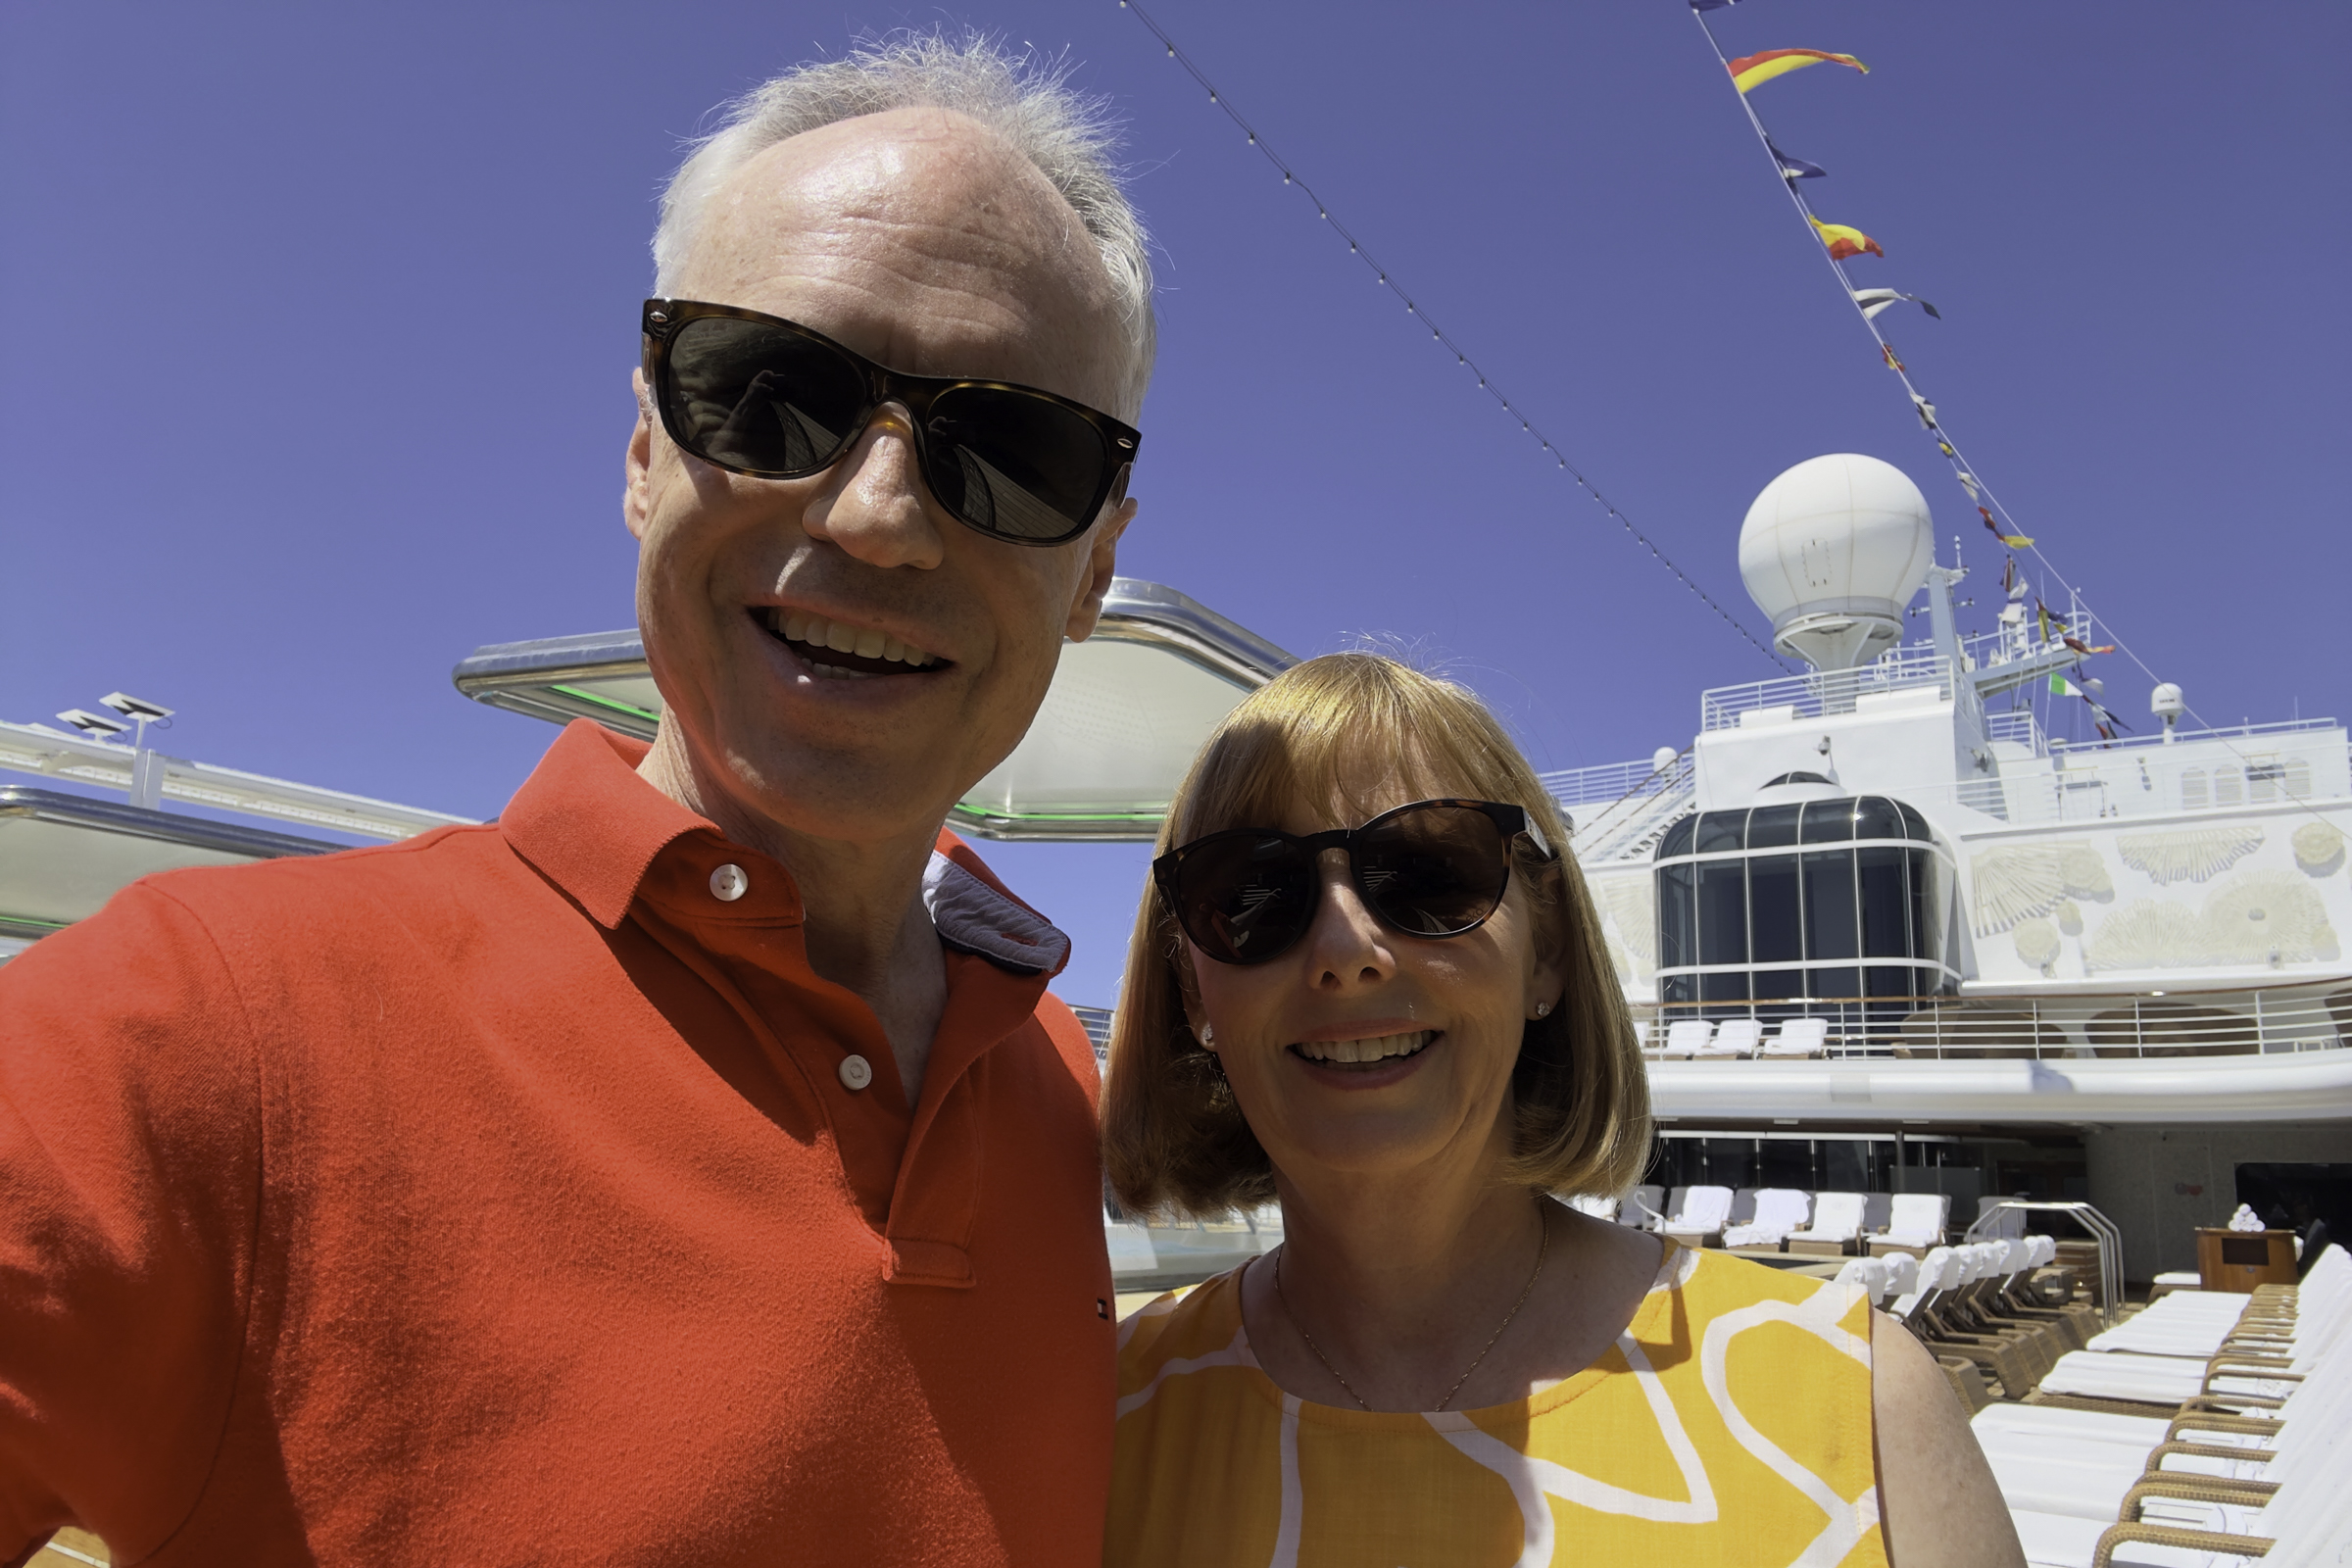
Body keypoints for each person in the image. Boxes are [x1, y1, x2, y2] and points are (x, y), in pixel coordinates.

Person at [0, 37, 1152, 1566]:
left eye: (1013, 452)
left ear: (1097, 571)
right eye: (770, 393)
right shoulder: (193, 1031)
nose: (879, 519)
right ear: (640, 450)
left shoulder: (1054, 1088)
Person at [1102, 654, 2024, 1567]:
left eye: (1427, 873)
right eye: (1252, 896)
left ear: (1545, 953)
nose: (1347, 948)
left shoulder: (1856, 1400)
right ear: (1193, 996)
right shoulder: (1101, 1419)